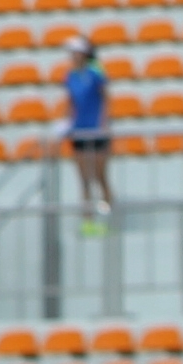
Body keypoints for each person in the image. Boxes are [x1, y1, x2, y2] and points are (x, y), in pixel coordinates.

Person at [59, 41, 115, 229]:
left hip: (96, 130)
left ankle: (108, 218)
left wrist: (104, 123)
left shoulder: (95, 72)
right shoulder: (70, 76)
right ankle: (88, 221)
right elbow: (71, 102)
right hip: (80, 131)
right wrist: (68, 123)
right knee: (84, 180)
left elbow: (105, 98)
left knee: (100, 176)